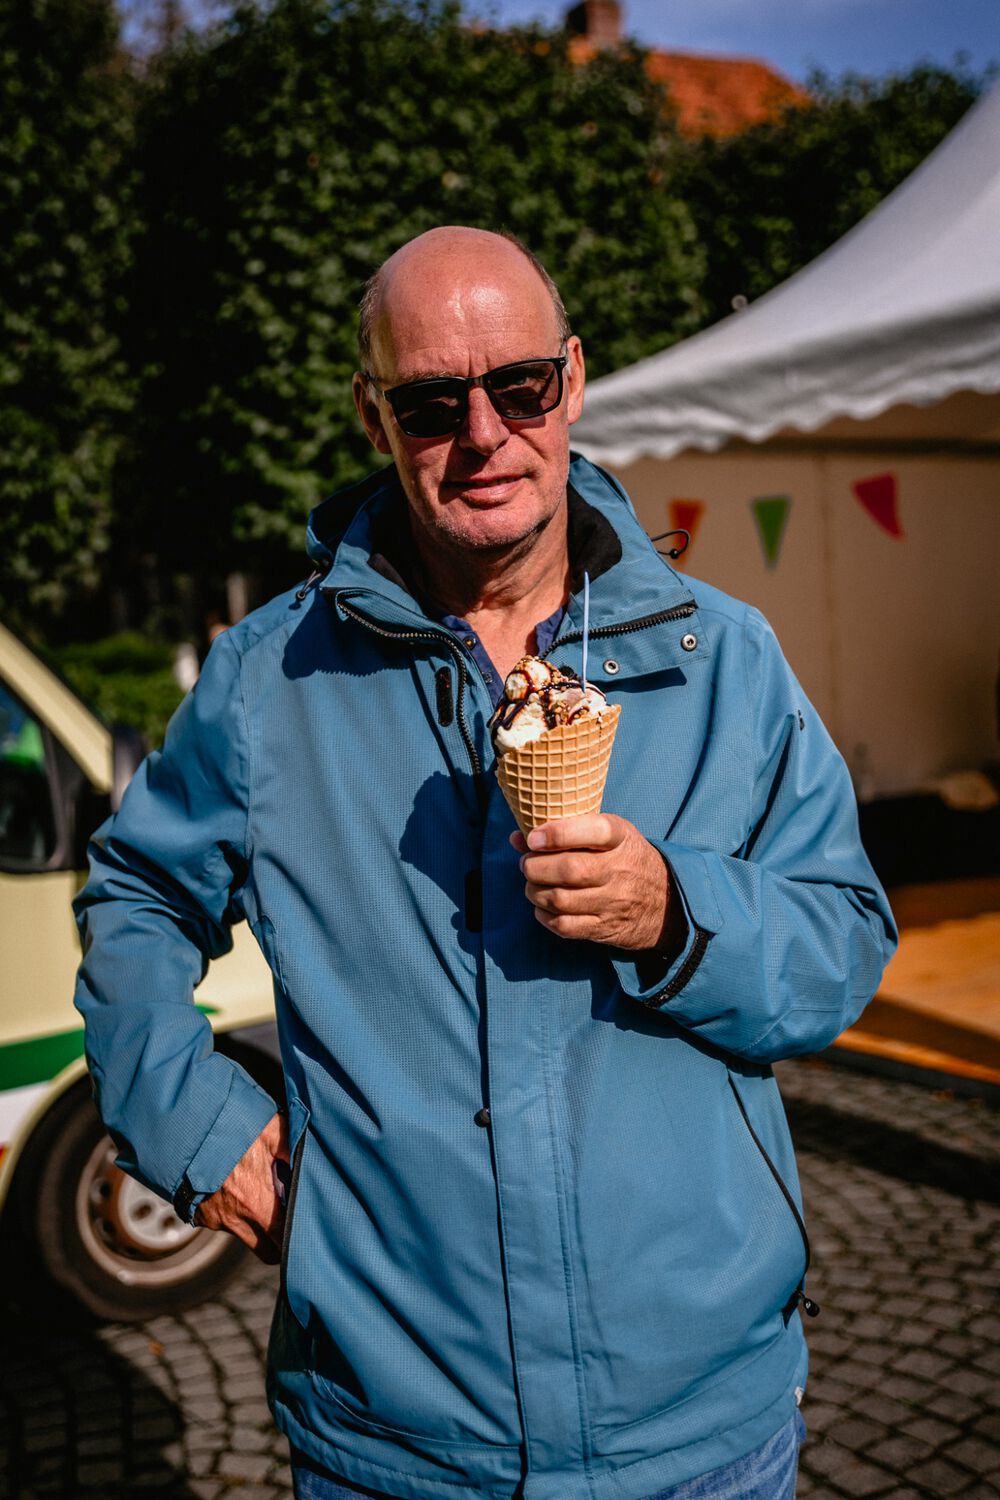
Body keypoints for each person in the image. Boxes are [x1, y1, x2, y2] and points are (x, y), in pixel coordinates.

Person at [74, 226, 897, 1500]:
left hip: (699, 1431)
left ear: (572, 379)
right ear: (373, 415)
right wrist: (192, 1124)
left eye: (520, 386)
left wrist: (676, 914)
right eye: (429, 402)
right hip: (395, 1440)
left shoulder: (723, 658)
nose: (484, 435)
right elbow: (136, 896)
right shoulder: (269, 679)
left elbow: (840, 941)